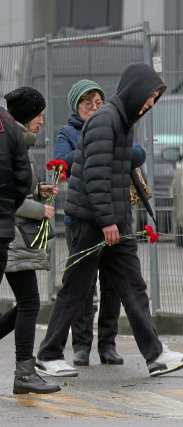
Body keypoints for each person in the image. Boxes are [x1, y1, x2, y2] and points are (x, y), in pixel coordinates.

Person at [36, 63, 183, 378]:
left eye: (155, 98)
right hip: (92, 222)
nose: (151, 103)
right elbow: (95, 177)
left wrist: (118, 221)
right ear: (135, 91)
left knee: (134, 287)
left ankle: (156, 355)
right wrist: (108, 221)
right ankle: (48, 353)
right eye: (149, 96)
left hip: (114, 221)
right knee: (76, 288)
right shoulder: (105, 121)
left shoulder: (123, 122)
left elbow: (118, 173)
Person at [54, 79, 146, 366]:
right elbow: (60, 164)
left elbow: (138, 153)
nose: (94, 108)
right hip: (82, 219)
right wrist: (92, 142)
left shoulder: (117, 125)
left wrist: (106, 143)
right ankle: (81, 345)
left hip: (116, 217)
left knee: (113, 285)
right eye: (87, 103)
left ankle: (108, 343)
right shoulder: (67, 133)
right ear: (75, 106)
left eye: (98, 103)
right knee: (82, 286)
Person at [0, 87, 60, 394]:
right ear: (26, 116)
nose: (41, 121)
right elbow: (7, 196)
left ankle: (25, 371)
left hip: (15, 235)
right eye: (39, 115)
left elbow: (19, 189)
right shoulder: (13, 141)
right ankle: (24, 373)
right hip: (14, 237)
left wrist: (39, 192)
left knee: (26, 302)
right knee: (29, 302)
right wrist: (40, 209)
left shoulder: (18, 141)